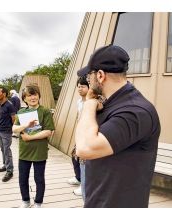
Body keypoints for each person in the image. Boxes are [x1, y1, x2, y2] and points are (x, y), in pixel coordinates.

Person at [75, 45, 161, 208]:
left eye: (89, 76)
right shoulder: (112, 103)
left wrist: (88, 104)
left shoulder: (134, 112)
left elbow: (84, 148)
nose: (87, 80)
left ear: (100, 75)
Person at [13, 85, 55, 208]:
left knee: (39, 179)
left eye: (35, 94)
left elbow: (48, 131)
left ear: (39, 96)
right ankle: (25, 201)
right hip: (24, 151)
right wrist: (26, 125)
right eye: (29, 95)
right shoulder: (21, 112)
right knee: (22, 178)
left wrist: (29, 137)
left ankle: (38, 202)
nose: (33, 97)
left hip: (39, 151)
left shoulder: (45, 111)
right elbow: (14, 129)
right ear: (24, 99)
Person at [68, 70, 89, 200]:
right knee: (74, 155)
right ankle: (78, 178)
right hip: (80, 133)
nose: (80, 88)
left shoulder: (91, 102)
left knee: (83, 160)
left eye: (83, 86)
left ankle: (84, 186)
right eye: (79, 86)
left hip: (88, 135)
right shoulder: (79, 102)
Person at [0, 87, 16, 182]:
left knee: (7, 150)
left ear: (4, 94)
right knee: (2, 149)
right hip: (0, 130)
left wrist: (11, 129)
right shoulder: (0, 103)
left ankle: (10, 171)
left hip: (7, 131)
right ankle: (5, 165)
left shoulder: (9, 105)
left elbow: (13, 118)